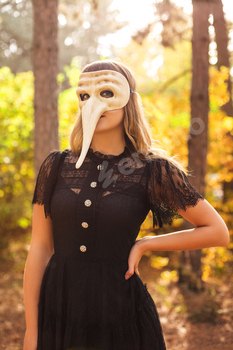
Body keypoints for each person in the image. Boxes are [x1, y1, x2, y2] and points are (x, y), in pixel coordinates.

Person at [23, 60, 229, 350]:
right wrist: (32, 330)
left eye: (107, 92)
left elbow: (217, 231)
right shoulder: (55, 165)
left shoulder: (153, 170)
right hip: (59, 311)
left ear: (130, 100)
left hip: (121, 316)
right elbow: (41, 248)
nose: (93, 102)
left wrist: (144, 245)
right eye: (84, 95)